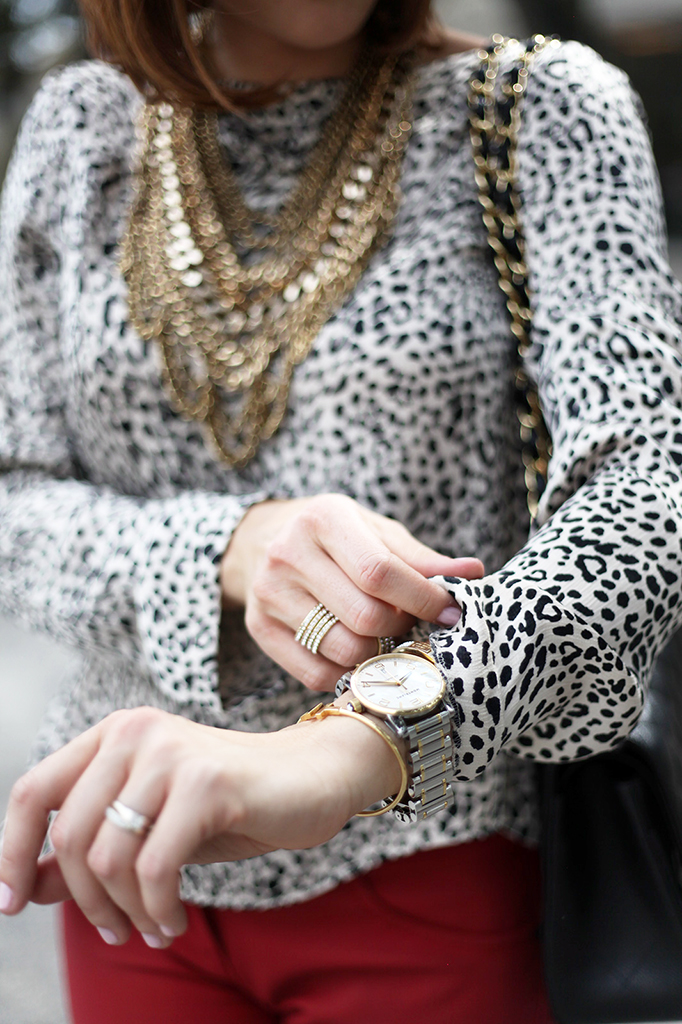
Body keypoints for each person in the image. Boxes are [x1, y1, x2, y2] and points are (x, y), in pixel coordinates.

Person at [1, 1, 681, 1021]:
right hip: (135, 867)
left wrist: (352, 741)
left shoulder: (540, 108)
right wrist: (232, 546)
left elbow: (642, 498)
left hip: (438, 860)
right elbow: (16, 500)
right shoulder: (80, 129)